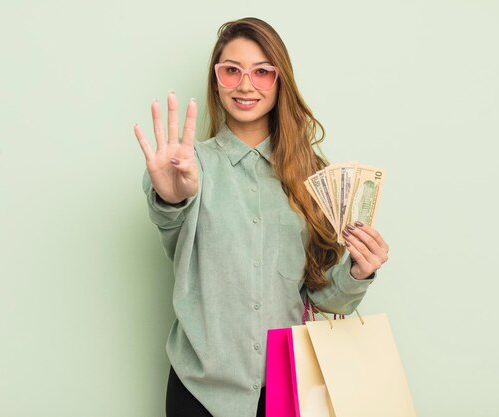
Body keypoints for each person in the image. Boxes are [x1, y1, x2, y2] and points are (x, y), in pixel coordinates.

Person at [133, 17, 390, 417]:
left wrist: (357, 274)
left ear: (279, 80)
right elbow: (168, 215)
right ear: (216, 80)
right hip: (198, 392)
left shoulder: (312, 176)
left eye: (262, 72)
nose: (246, 84)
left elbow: (319, 296)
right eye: (231, 70)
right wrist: (172, 199)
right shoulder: (187, 166)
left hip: (286, 389)